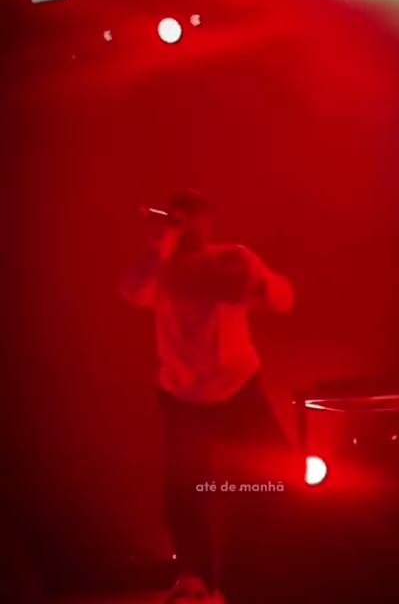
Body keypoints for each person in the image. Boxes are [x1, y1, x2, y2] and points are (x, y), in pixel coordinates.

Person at [119, 189, 294, 602]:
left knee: (278, 475)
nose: (188, 225)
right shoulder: (160, 264)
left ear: (208, 220)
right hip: (183, 393)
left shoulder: (231, 257)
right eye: (179, 217)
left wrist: (264, 286)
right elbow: (134, 291)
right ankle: (194, 576)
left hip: (236, 386)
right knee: (184, 490)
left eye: (194, 216)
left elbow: (284, 299)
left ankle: (281, 563)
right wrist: (161, 242)